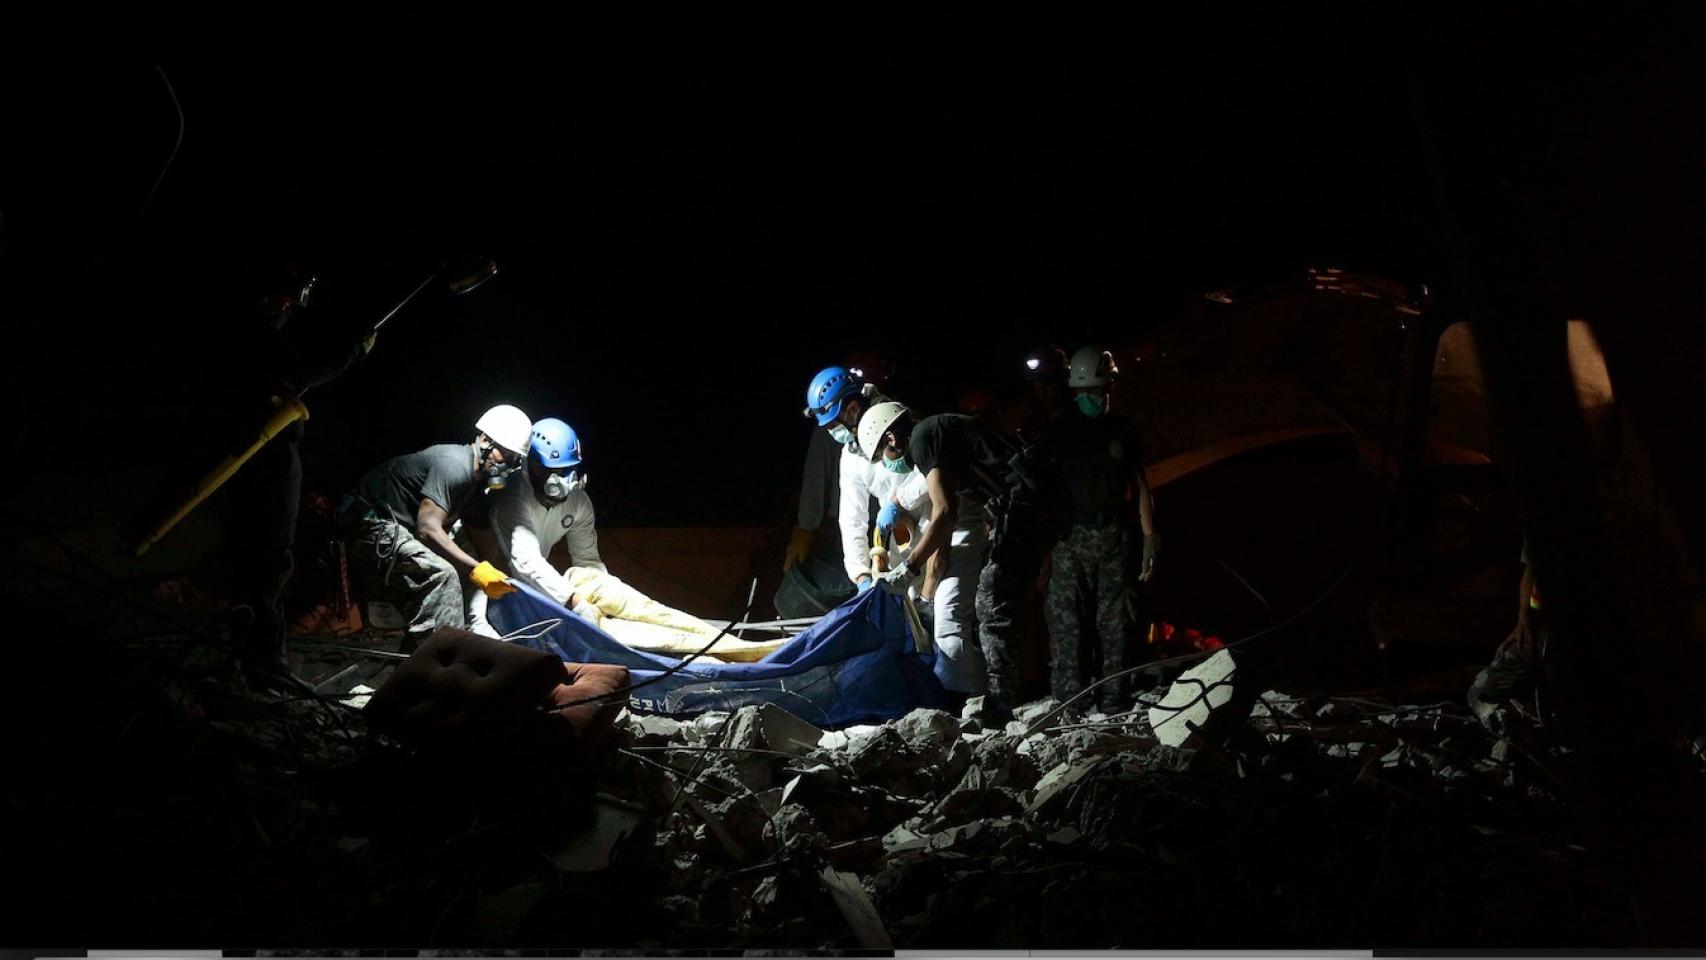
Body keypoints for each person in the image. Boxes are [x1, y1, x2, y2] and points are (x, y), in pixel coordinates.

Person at [860, 401, 1054, 724]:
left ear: (892, 439)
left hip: (1027, 503)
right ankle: (1001, 698)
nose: (888, 462)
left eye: (884, 454)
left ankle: (1000, 705)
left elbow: (945, 512)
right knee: (996, 601)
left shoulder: (923, 438)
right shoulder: (934, 434)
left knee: (991, 602)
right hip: (1023, 504)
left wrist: (908, 569)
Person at [463, 417, 717, 641]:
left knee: (639, 611)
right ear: (535, 467)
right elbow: (525, 562)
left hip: (532, 586)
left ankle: (713, 639)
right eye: (557, 471)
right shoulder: (512, 495)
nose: (566, 480)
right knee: (484, 633)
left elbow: (588, 563)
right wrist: (574, 602)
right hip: (492, 588)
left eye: (570, 470)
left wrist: (606, 602)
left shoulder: (578, 503)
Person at [336, 404, 531, 650]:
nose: (508, 466)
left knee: (459, 564)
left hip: (395, 529)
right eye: (506, 455)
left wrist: (489, 573)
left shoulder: (473, 484)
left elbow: (470, 542)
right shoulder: (455, 465)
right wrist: (477, 570)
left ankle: (420, 648)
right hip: (369, 524)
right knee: (442, 575)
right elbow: (428, 528)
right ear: (484, 440)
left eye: (515, 460)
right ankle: (447, 659)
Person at [1038, 346, 1159, 713]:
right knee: (1068, 624)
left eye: (1103, 390)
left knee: (1116, 625)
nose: (1097, 398)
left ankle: (1114, 700)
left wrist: (1150, 537)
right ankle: (1071, 703)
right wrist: (1043, 549)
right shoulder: (1059, 433)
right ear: (1075, 391)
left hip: (1113, 539)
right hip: (1069, 540)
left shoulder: (1123, 430)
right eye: (1089, 391)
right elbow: (1042, 494)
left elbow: (1139, 485)